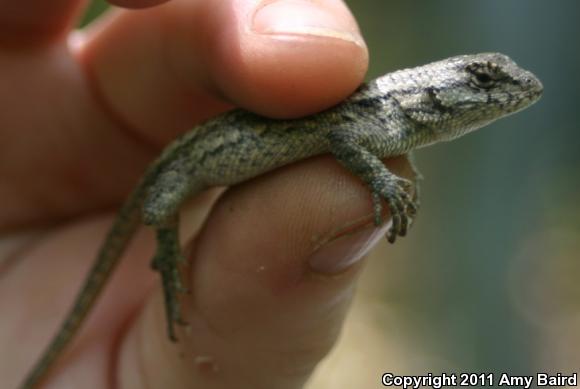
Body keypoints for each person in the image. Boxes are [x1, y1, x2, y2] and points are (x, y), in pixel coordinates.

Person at [1, 0, 413, 387]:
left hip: (221, 155)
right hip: (184, 164)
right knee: (160, 207)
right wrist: (379, 180)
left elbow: (343, 139)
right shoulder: (379, 118)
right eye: (481, 79)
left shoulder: (384, 118)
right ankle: (166, 257)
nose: (481, 89)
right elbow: (342, 140)